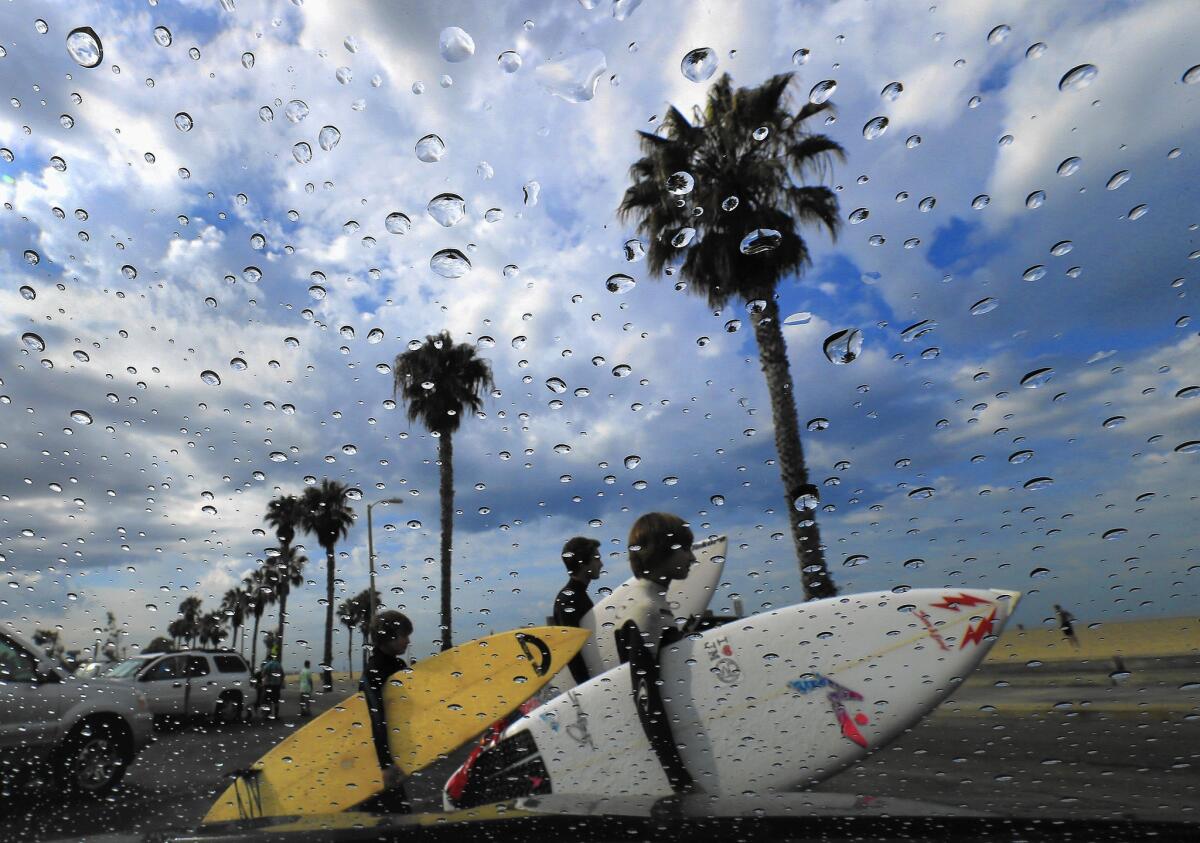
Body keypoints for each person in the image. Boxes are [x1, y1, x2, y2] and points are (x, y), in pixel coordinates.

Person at [358, 610, 413, 814]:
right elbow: (374, 718)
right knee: (387, 817)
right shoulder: (375, 671)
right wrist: (385, 763)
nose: (408, 641)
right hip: (376, 756)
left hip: (396, 747)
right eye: (404, 635)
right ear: (388, 636)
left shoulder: (398, 665)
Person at [552, 536, 603, 685]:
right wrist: (589, 688)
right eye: (597, 559)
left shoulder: (578, 595)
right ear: (583, 562)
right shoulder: (568, 599)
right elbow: (572, 653)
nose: (601, 564)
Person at [261, 651, 284, 720]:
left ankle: (268, 715)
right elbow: (282, 674)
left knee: (268, 700)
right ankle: (276, 715)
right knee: (276, 700)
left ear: (268, 659)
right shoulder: (278, 664)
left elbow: (263, 674)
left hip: (268, 685)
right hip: (277, 685)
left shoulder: (267, 665)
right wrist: (280, 682)